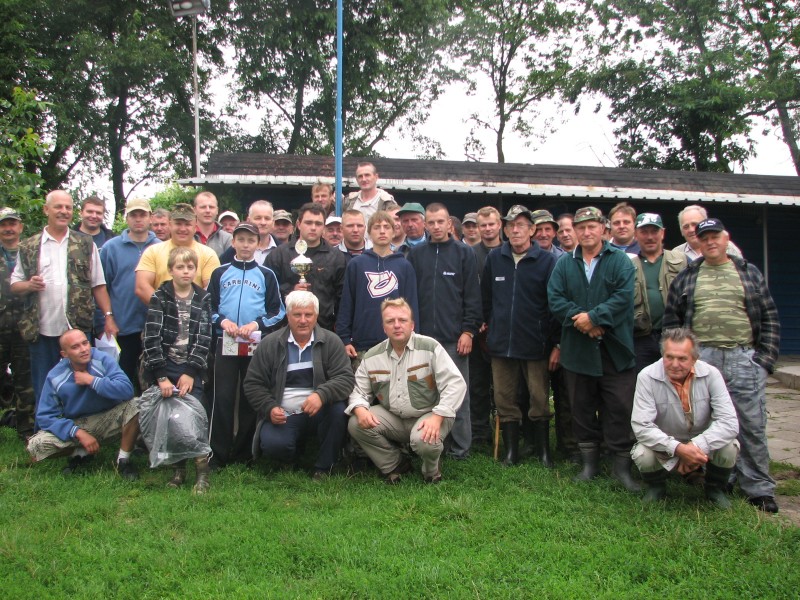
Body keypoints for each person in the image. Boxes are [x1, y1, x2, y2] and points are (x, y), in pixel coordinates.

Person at [664, 217, 780, 513]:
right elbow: (672, 321)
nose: (710, 242)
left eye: (716, 236)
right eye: (705, 238)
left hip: (743, 357)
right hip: (703, 360)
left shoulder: (749, 273)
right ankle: (721, 478)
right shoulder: (688, 277)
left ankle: (758, 487)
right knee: (708, 420)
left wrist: (763, 362)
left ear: (726, 238)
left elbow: (769, 318)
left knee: (751, 423)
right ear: (697, 243)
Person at [547, 206, 640, 492]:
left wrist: (595, 319)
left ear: (603, 229)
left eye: (592, 226)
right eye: (581, 227)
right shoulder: (564, 264)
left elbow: (623, 298)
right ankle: (589, 464)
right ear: (574, 231)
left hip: (615, 350)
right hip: (578, 352)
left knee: (619, 408)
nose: (586, 232)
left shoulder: (620, 261)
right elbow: (555, 298)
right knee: (582, 407)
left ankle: (621, 467)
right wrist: (583, 321)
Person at [10, 190, 117, 406]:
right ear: (46, 210)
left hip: (77, 327)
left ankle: (79, 426)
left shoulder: (86, 244)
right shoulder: (29, 246)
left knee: (80, 379)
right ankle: (45, 429)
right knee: (44, 381)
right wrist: (29, 285)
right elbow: (15, 284)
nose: (63, 211)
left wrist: (108, 316)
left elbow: (98, 284)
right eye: (58, 207)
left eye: (68, 207)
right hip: (42, 328)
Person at [347, 298, 466, 484]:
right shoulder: (372, 356)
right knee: (355, 423)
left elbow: (455, 384)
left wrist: (438, 416)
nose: (396, 325)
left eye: (402, 320)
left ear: (412, 325)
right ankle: (395, 464)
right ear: (383, 327)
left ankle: (431, 472)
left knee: (425, 440)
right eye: (390, 321)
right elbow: (358, 391)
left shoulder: (430, 347)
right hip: (394, 418)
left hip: (429, 415)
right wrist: (360, 408)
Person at [243, 291, 355, 479]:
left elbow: (345, 378)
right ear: (288, 316)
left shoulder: (331, 341)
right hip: (284, 414)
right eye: (297, 315)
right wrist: (269, 408)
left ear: (316, 316)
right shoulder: (269, 344)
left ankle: (324, 467)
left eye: (308, 315)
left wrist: (321, 394)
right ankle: (292, 457)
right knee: (274, 446)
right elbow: (253, 383)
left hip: (319, 411)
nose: (303, 320)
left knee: (338, 411)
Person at [482, 205, 559, 467]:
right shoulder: (494, 258)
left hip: (535, 343)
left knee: (539, 398)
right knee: (504, 398)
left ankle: (543, 451)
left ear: (532, 230)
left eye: (521, 224)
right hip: (501, 344)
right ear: (504, 229)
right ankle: (511, 452)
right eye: (510, 225)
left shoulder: (548, 261)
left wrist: (551, 341)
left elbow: (553, 305)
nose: (515, 229)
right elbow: (486, 300)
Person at [631, 328, 740, 507]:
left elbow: (729, 422)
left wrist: (695, 447)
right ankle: (656, 488)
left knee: (730, 447)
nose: (674, 364)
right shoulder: (647, 376)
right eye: (669, 357)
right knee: (642, 453)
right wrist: (678, 449)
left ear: (694, 359)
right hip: (667, 441)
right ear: (662, 354)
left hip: (701, 443)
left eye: (682, 359)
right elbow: (641, 426)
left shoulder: (712, 374)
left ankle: (714, 490)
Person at [207, 223, 286, 468]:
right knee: (222, 398)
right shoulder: (220, 273)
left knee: (250, 397)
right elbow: (208, 307)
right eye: (240, 240)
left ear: (257, 244)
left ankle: (244, 453)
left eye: (250, 241)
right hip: (225, 342)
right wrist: (223, 321)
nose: (245, 245)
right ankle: (217, 454)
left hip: (254, 343)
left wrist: (256, 324)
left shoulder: (265, 274)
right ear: (233, 243)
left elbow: (278, 310)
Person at [408, 202, 482, 460]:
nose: (436, 227)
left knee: (457, 394)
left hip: (454, 339)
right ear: (425, 224)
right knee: (427, 395)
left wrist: (468, 331)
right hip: (423, 340)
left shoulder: (464, 253)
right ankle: (433, 443)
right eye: (431, 222)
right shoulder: (416, 255)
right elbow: (410, 298)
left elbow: (473, 296)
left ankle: (461, 449)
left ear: (449, 224)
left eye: (441, 222)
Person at [141, 247, 213, 493]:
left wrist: (191, 372)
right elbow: (151, 337)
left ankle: (202, 473)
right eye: (180, 267)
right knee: (172, 420)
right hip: (165, 365)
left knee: (194, 418)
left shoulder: (203, 297)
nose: (185, 271)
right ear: (170, 270)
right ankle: (178, 470)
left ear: (196, 270)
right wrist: (161, 376)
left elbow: (205, 337)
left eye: (190, 267)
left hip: (192, 367)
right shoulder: (159, 297)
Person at [26, 329, 139, 479]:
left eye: (85, 343)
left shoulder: (103, 359)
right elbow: (45, 416)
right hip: (78, 425)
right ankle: (80, 453)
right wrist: (77, 433)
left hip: (109, 419)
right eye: (75, 347)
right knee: (35, 445)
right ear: (64, 354)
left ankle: (123, 460)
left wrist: (92, 381)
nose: (84, 349)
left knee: (137, 405)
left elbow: (127, 390)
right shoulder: (55, 376)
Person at [336, 210, 419, 366]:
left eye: (387, 227)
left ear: (394, 231)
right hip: (362, 345)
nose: (382, 231)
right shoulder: (356, 264)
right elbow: (347, 303)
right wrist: (344, 339)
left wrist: (413, 339)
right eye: (377, 227)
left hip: (397, 344)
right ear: (368, 233)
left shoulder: (404, 266)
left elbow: (412, 306)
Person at [99, 197, 161, 394]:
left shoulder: (160, 246)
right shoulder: (111, 247)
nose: (138, 219)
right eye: (133, 215)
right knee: (122, 379)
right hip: (123, 326)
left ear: (150, 217)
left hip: (155, 326)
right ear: (126, 218)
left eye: (142, 214)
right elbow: (102, 286)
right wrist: (107, 318)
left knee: (152, 380)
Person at [266, 203, 346, 332]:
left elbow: (342, 298)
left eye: (318, 224)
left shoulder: (336, 257)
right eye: (308, 223)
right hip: (284, 329)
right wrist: (289, 291)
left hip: (324, 329)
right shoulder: (279, 255)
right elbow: (267, 292)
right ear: (298, 224)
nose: (313, 228)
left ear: (324, 227)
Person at [629, 213, 687, 373]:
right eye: (644, 232)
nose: (649, 237)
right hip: (641, 339)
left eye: (654, 232)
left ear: (662, 233)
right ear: (636, 234)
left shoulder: (681, 260)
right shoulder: (627, 265)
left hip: (676, 337)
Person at [134, 203, 220, 305]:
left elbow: (211, 290)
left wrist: (188, 311)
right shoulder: (153, 251)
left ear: (195, 227)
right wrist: (168, 309)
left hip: (196, 316)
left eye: (187, 224)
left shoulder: (208, 254)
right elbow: (141, 287)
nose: (183, 229)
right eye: (178, 223)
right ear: (170, 225)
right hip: (161, 315)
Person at [469, 206, 503, 445]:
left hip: (503, 328)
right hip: (477, 330)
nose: (487, 229)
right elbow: (470, 292)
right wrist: (475, 321)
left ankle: (513, 430)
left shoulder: (510, 251)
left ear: (499, 225)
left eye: (491, 224)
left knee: (505, 387)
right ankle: (480, 432)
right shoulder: (470, 254)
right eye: (483, 225)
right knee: (478, 385)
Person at [0, 208, 34, 438]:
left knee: (26, 380)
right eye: (3, 224)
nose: (8, 228)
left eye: (12, 224)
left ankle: (26, 429)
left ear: (20, 227)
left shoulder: (31, 252)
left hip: (24, 326)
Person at [673, 205, 743, 261]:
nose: (691, 229)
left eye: (695, 224)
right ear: (681, 231)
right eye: (686, 226)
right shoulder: (675, 254)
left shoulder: (728, 248)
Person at [219, 200, 278, 265]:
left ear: (273, 223)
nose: (263, 222)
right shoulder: (231, 252)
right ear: (248, 220)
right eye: (258, 218)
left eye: (267, 218)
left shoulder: (282, 251)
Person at [193, 191, 232, 257]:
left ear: (217, 210)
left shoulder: (227, 239)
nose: (208, 210)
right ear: (194, 210)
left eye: (211, 207)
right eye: (203, 207)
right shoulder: (186, 236)